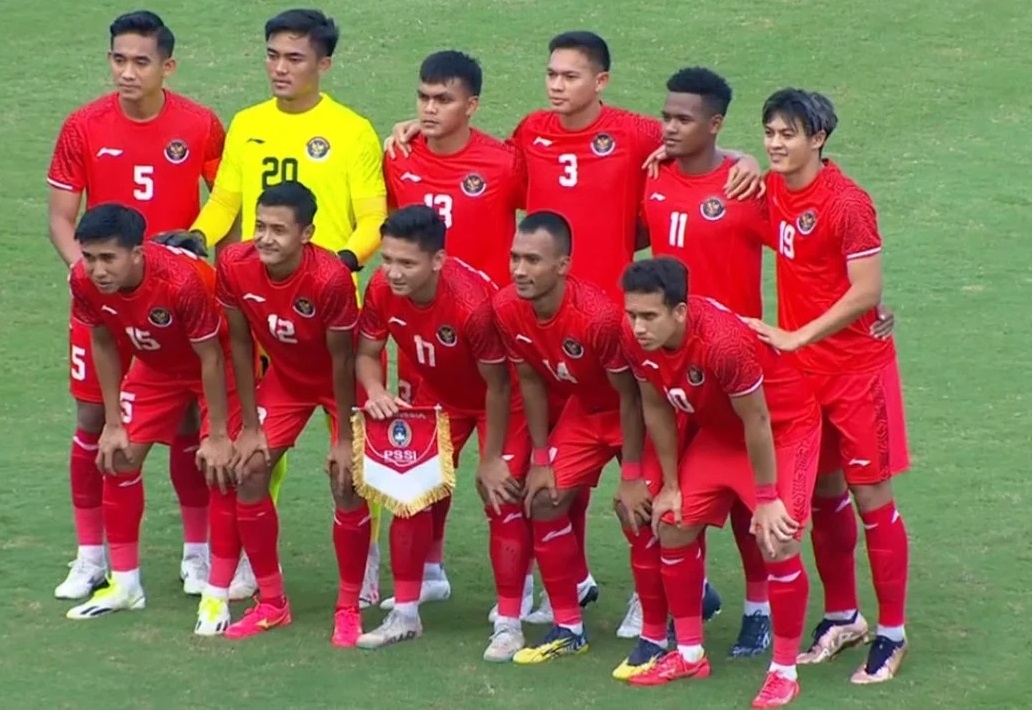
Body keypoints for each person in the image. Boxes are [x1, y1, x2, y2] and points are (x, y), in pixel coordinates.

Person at [387, 31, 764, 628]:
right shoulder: (529, 135)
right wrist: (422, 124)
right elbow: (472, 157)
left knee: (660, 462)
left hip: (620, 326)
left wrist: (745, 158)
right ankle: (577, 581)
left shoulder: (638, 131)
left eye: (570, 75)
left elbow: (693, 139)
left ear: (600, 82)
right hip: (541, 324)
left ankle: (667, 596)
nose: (557, 85)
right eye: (551, 75)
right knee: (560, 466)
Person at [189, 8, 388, 605]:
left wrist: (344, 263)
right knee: (259, 444)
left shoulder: (351, 130)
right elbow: (225, 204)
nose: (280, 67)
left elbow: (373, 217)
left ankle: (367, 559)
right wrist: (196, 238)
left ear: (323, 64)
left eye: (294, 57)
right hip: (263, 312)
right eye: (273, 55)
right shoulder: (247, 123)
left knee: (354, 449)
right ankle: (253, 558)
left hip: (331, 311)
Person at [47, 10, 227, 601]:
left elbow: (225, 206)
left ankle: (196, 556)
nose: (127, 72)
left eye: (140, 61)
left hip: (173, 304)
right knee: (93, 423)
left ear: (166, 66)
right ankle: (90, 556)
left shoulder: (200, 124)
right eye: (118, 59)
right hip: (102, 303)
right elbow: (60, 219)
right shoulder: (83, 126)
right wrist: (92, 280)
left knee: (183, 423)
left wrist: (204, 270)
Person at [746, 89, 910, 685]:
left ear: (818, 138)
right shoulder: (769, 185)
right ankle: (843, 616)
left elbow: (865, 290)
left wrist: (796, 337)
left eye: (788, 133)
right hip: (806, 374)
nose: (775, 143)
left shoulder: (848, 203)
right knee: (822, 494)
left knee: (873, 502)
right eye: (769, 132)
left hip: (856, 372)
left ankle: (892, 632)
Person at [620, 258, 821, 708]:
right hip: (720, 434)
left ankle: (784, 671)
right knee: (671, 522)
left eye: (649, 316)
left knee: (779, 539)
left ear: (680, 312)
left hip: (784, 432)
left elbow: (760, 420)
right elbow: (654, 405)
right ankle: (690, 652)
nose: (638, 327)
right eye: (632, 314)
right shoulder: (634, 337)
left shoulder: (724, 343)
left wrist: (767, 499)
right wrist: (670, 483)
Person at [377, 49, 527, 616]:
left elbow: (545, 224)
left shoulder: (507, 163)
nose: (430, 108)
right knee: (414, 481)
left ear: (472, 105)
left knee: (505, 486)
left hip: (492, 348)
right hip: (423, 357)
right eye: (424, 98)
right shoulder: (398, 157)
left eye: (443, 99)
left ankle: (523, 593)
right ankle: (428, 575)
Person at [636, 66, 772, 655]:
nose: (667, 128)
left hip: (735, 364)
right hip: (670, 366)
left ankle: (759, 608)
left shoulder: (747, 188)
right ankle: (687, 606)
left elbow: (801, 253)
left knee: (747, 504)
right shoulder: (654, 175)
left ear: (714, 125)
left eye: (682, 119)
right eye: (665, 116)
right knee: (666, 495)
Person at [354, 205, 529, 650]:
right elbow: (366, 352)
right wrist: (374, 390)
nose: (393, 272)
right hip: (436, 393)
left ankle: (509, 622)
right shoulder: (380, 286)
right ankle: (405, 613)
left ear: (437, 261)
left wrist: (491, 461)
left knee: (500, 497)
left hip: (498, 402)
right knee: (408, 494)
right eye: (388, 259)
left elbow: (500, 386)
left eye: (406, 263)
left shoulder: (473, 306)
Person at [65, 204, 238, 621]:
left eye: (109, 258)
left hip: (215, 364)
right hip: (156, 366)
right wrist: (112, 422)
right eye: (89, 257)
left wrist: (217, 434)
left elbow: (211, 357)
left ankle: (215, 580)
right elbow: (104, 342)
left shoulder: (181, 282)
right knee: (118, 459)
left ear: (136, 254)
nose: (97, 269)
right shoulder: (83, 282)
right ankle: (125, 584)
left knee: (223, 465)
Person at [212, 181, 366, 642]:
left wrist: (343, 440)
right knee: (251, 469)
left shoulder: (330, 279)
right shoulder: (234, 265)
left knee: (347, 481)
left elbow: (343, 360)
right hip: (285, 379)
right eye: (259, 226)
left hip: (340, 383)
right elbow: (239, 342)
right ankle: (273, 603)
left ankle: (349, 606)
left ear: (307, 234)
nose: (264, 238)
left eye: (278, 229)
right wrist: (250, 426)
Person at [491, 211, 644, 667]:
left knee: (644, 511)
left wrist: (633, 473)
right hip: (585, 413)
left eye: (533, 260)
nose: (519, 269)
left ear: (563, 265)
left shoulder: (597, 317)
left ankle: (671, 608)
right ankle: (569, 627)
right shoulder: (505, 307)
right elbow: (530, 381)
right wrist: (540, 455)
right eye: (515, 257)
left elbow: (633, 398)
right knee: (544, 497)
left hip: (629, 413)